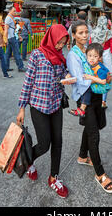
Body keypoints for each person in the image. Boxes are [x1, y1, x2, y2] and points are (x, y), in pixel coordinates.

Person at [16, 24, 71, 198]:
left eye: (63, 42)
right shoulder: (37, 55)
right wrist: (21, 108)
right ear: (52, 38)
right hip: (38, 105)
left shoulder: (61, 57)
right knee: (44, 144)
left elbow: (62, 77)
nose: (60, 46)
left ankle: (54, 177)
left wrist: (67, 78)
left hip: (55, 104)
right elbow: (28, 82)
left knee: (58, 141)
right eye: (59, 42)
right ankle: (27, 161)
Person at [66, 20, 112, 194]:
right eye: (80, 33)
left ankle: (82, 155)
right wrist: (98, 80)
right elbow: (80, 78)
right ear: (73, 35)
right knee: (94, 134)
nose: (84, 35)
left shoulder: (90, 50)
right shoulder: (73, 54)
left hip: (96, 94)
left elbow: (99, 67)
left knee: (91, 128)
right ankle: (100, 173)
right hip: (84, 97)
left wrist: (106, 77)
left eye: (86, 32)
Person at [78, 43, 111, 117]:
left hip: (100, 88)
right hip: (97, 88)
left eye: (95, 56)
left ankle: (82, 108)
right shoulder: (91, 64)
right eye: (89, 56)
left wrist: (90, 77)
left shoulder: (100, 68)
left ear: (100, 57)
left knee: (87, 89)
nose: (92, 58)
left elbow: (103, 81)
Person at [91, 15, 112, 108]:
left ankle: (95, 97)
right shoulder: (109, 33)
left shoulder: (93, 32)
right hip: (106, 55)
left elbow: (90, 45)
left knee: (95, 75)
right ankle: (103, 101)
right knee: (106, 76)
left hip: (95, 55)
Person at [4, 5, 25, 73]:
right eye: (13, 11)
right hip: (11, 38)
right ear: (9, 11)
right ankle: (20, 67)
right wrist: (5, 38)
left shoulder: (10, 17)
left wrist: (18, 36)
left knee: (8, 53)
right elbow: (6, 29)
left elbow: (12, 29)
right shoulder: (8, 18)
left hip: (11, 37)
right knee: (17, 52)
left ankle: (6, 67)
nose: (15, 12)